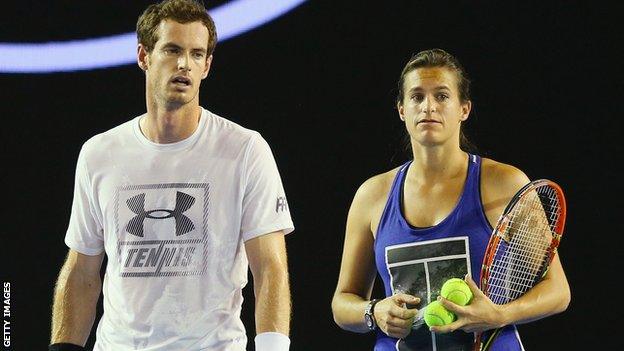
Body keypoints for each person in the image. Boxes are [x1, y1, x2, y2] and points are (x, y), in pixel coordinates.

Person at [49, 1, 293, 350]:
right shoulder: (99, 154)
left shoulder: (245, 150)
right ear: (143, 56)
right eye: (172, 50)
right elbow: (83, 271)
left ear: (207, 66)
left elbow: (269, 268)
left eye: (196, 54)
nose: (184, 64)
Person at [331, 48, 570, 350]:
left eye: (442, 96)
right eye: (417, 96)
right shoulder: (371, 195)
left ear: (464, 109)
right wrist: (374, 311)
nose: (428, 106)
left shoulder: (505, 183)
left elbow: (558, 291)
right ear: (402, 110)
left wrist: (500, 314)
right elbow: (343, 302)